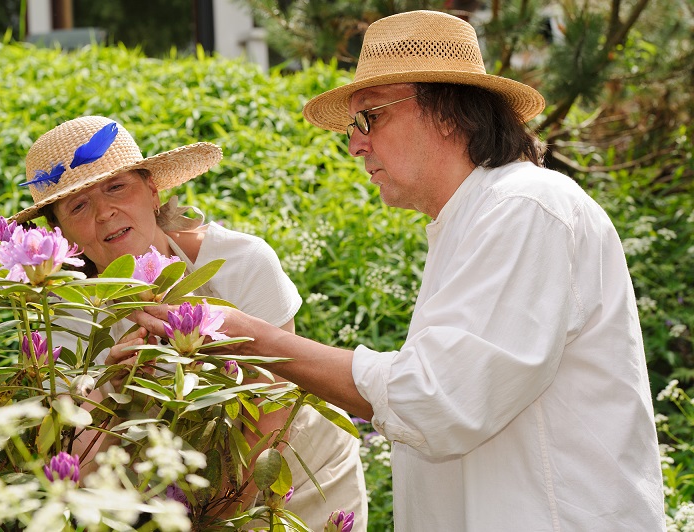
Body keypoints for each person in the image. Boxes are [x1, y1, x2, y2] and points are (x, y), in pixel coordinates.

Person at [133, 10, 666, 531]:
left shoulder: (525, 206)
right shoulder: (475, 218)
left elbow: (438, 400)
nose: (355, 142)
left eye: (371, 116)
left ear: (450, 111)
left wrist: (254, 337)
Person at [12, 115, 368, 530]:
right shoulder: (64, 313)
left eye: (117, 187)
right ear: (62, 233)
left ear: (153, 191)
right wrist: (112, 387)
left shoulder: (239, 262)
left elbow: (271, 410)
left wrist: (213, 523)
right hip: (160, 493)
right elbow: (69, 453)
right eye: (78, 204)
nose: (105, 211)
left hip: (291, 475)